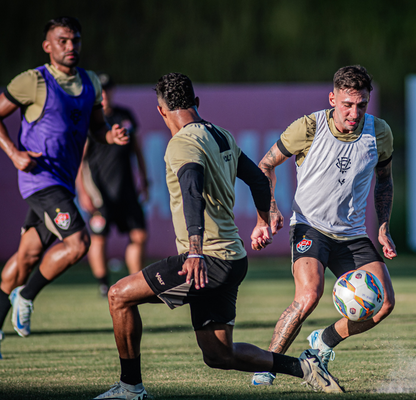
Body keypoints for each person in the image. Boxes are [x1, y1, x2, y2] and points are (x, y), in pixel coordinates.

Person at [93, 73, 343, 399]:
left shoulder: (181, 142)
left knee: (118, 296)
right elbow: (256, 178)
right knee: (218, 356)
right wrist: (268, 213)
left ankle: (130, 389)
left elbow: (191, 190)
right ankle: (304, 368)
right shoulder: (221, 134)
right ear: (196, 103)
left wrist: (194, 250)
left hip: (204, 259)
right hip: (232, 260)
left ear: (161, 111)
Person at [252, 65, 396, 386]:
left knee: (385, 304)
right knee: (309, 295)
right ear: (333, 99)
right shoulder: (309, 127)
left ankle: (324, 342)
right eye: (347, 104)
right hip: (310, 227)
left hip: (353, 234)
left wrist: (383, 226)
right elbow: (265, 165)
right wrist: (270, 210)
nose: (354, 113)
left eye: (361, 105)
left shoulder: (380, 132)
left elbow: (384, 181)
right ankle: (268, 365)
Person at [0, 16, 129, 358]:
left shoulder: (89, 83)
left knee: (27, 255)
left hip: (61, 183)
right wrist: (14, 153)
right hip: (40, 179)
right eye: (62, 41)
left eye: (75, 41)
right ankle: (26, 296)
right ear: (48, 46)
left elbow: (96, 128)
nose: (70, 47)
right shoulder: (34, 81)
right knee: (78, 242)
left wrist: (109, 136)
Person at [77, 73, 149, 296]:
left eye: (108, 89)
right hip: (100, 193)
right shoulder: (89, 119)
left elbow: (137, 150)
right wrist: (83, 192)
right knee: (99, 236)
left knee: (139, 235)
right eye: (101, 89)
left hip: (126, 189)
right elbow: (80, 161)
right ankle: (102, 283)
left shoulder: (124, 116)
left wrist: (144, 180)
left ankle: (135, 280)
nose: (105, 94)